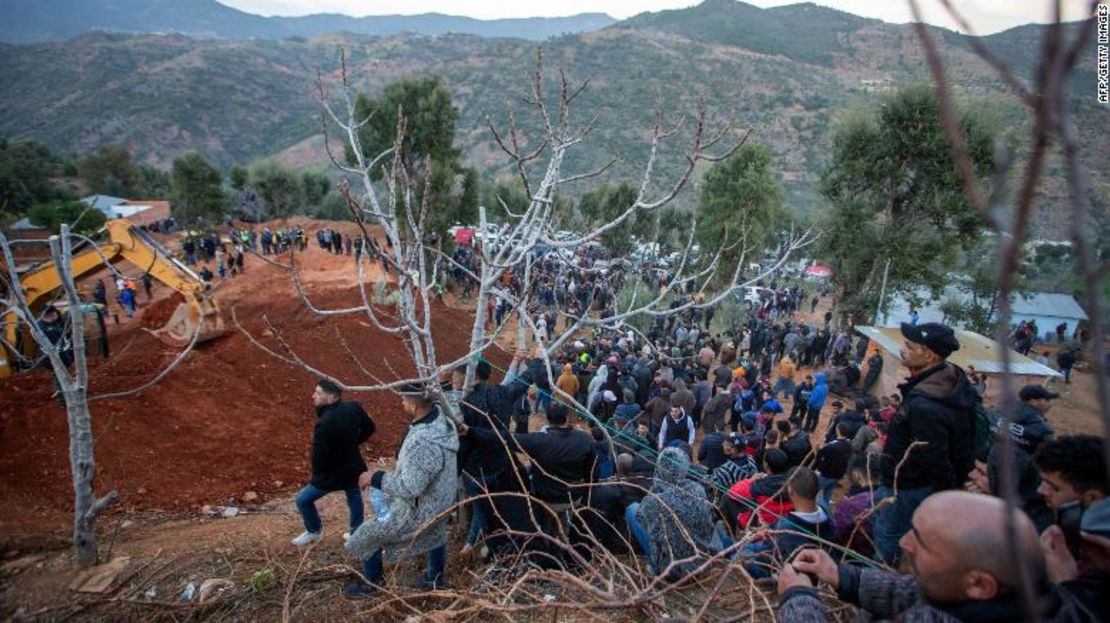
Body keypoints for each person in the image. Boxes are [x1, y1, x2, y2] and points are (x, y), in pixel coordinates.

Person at [778, 491, 1093, 622]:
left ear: (980, 585)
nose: (904, 541)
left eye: (922, 541)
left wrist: (799, 599)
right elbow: (917, 591)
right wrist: (845, 576)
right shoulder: (985, 597)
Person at [873, 322, 975, 566]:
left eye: (909, 345)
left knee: (888, 539)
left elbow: (936, 458)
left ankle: (883, 580)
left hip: (907, 488)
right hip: (911, 484)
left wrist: (944, 501)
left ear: (929, 355)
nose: (902, 348)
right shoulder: (947, 378)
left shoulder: (926, 405)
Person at [345, 382, 459, 597]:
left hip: (422, 509)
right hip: (442, 502)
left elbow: (410, 487)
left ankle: (373, 585)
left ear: (415, 406)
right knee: (437, 532)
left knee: (366, 535)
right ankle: (435, 578)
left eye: (404, 400)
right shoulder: (441, 418)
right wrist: (445, 382)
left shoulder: (423, 441)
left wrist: (374, 477)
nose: (402, 402)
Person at [293, 380, 376, 548]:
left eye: (318, 393)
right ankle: (356, 533)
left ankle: (314, 530)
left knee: (302, 499)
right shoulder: (354, 408)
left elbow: (319, 453)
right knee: (354, 497)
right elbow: (370, 427)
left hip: (331, 473)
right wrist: (354, 442)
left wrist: (318, 473)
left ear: (330, 397)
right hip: (353, 466)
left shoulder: (324, 422)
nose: (313, 396)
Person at [626, 446, 720, 580]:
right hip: (701, 562)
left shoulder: (654, 500)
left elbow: (641, 518)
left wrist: (652, 493)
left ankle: (654, 563)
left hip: (672, 570)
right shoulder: (698, 489)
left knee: (632, 509)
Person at [741, 466, 832, 580]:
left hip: (784, 569)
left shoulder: (786, 526)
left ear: (790, 491)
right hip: (814, 561)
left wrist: (763, 540)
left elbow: (768, 556)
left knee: (744, 551)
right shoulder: (824, 506)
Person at [813, 422, 852, 503]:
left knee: (813, 491)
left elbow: (819, 456)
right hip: (838, 475)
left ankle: (816, 506)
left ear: (838, 431)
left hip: (826, 474)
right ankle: (824, 508)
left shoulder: (831, 446)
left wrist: (818, 449)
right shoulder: (849, 445)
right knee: (828, 493)